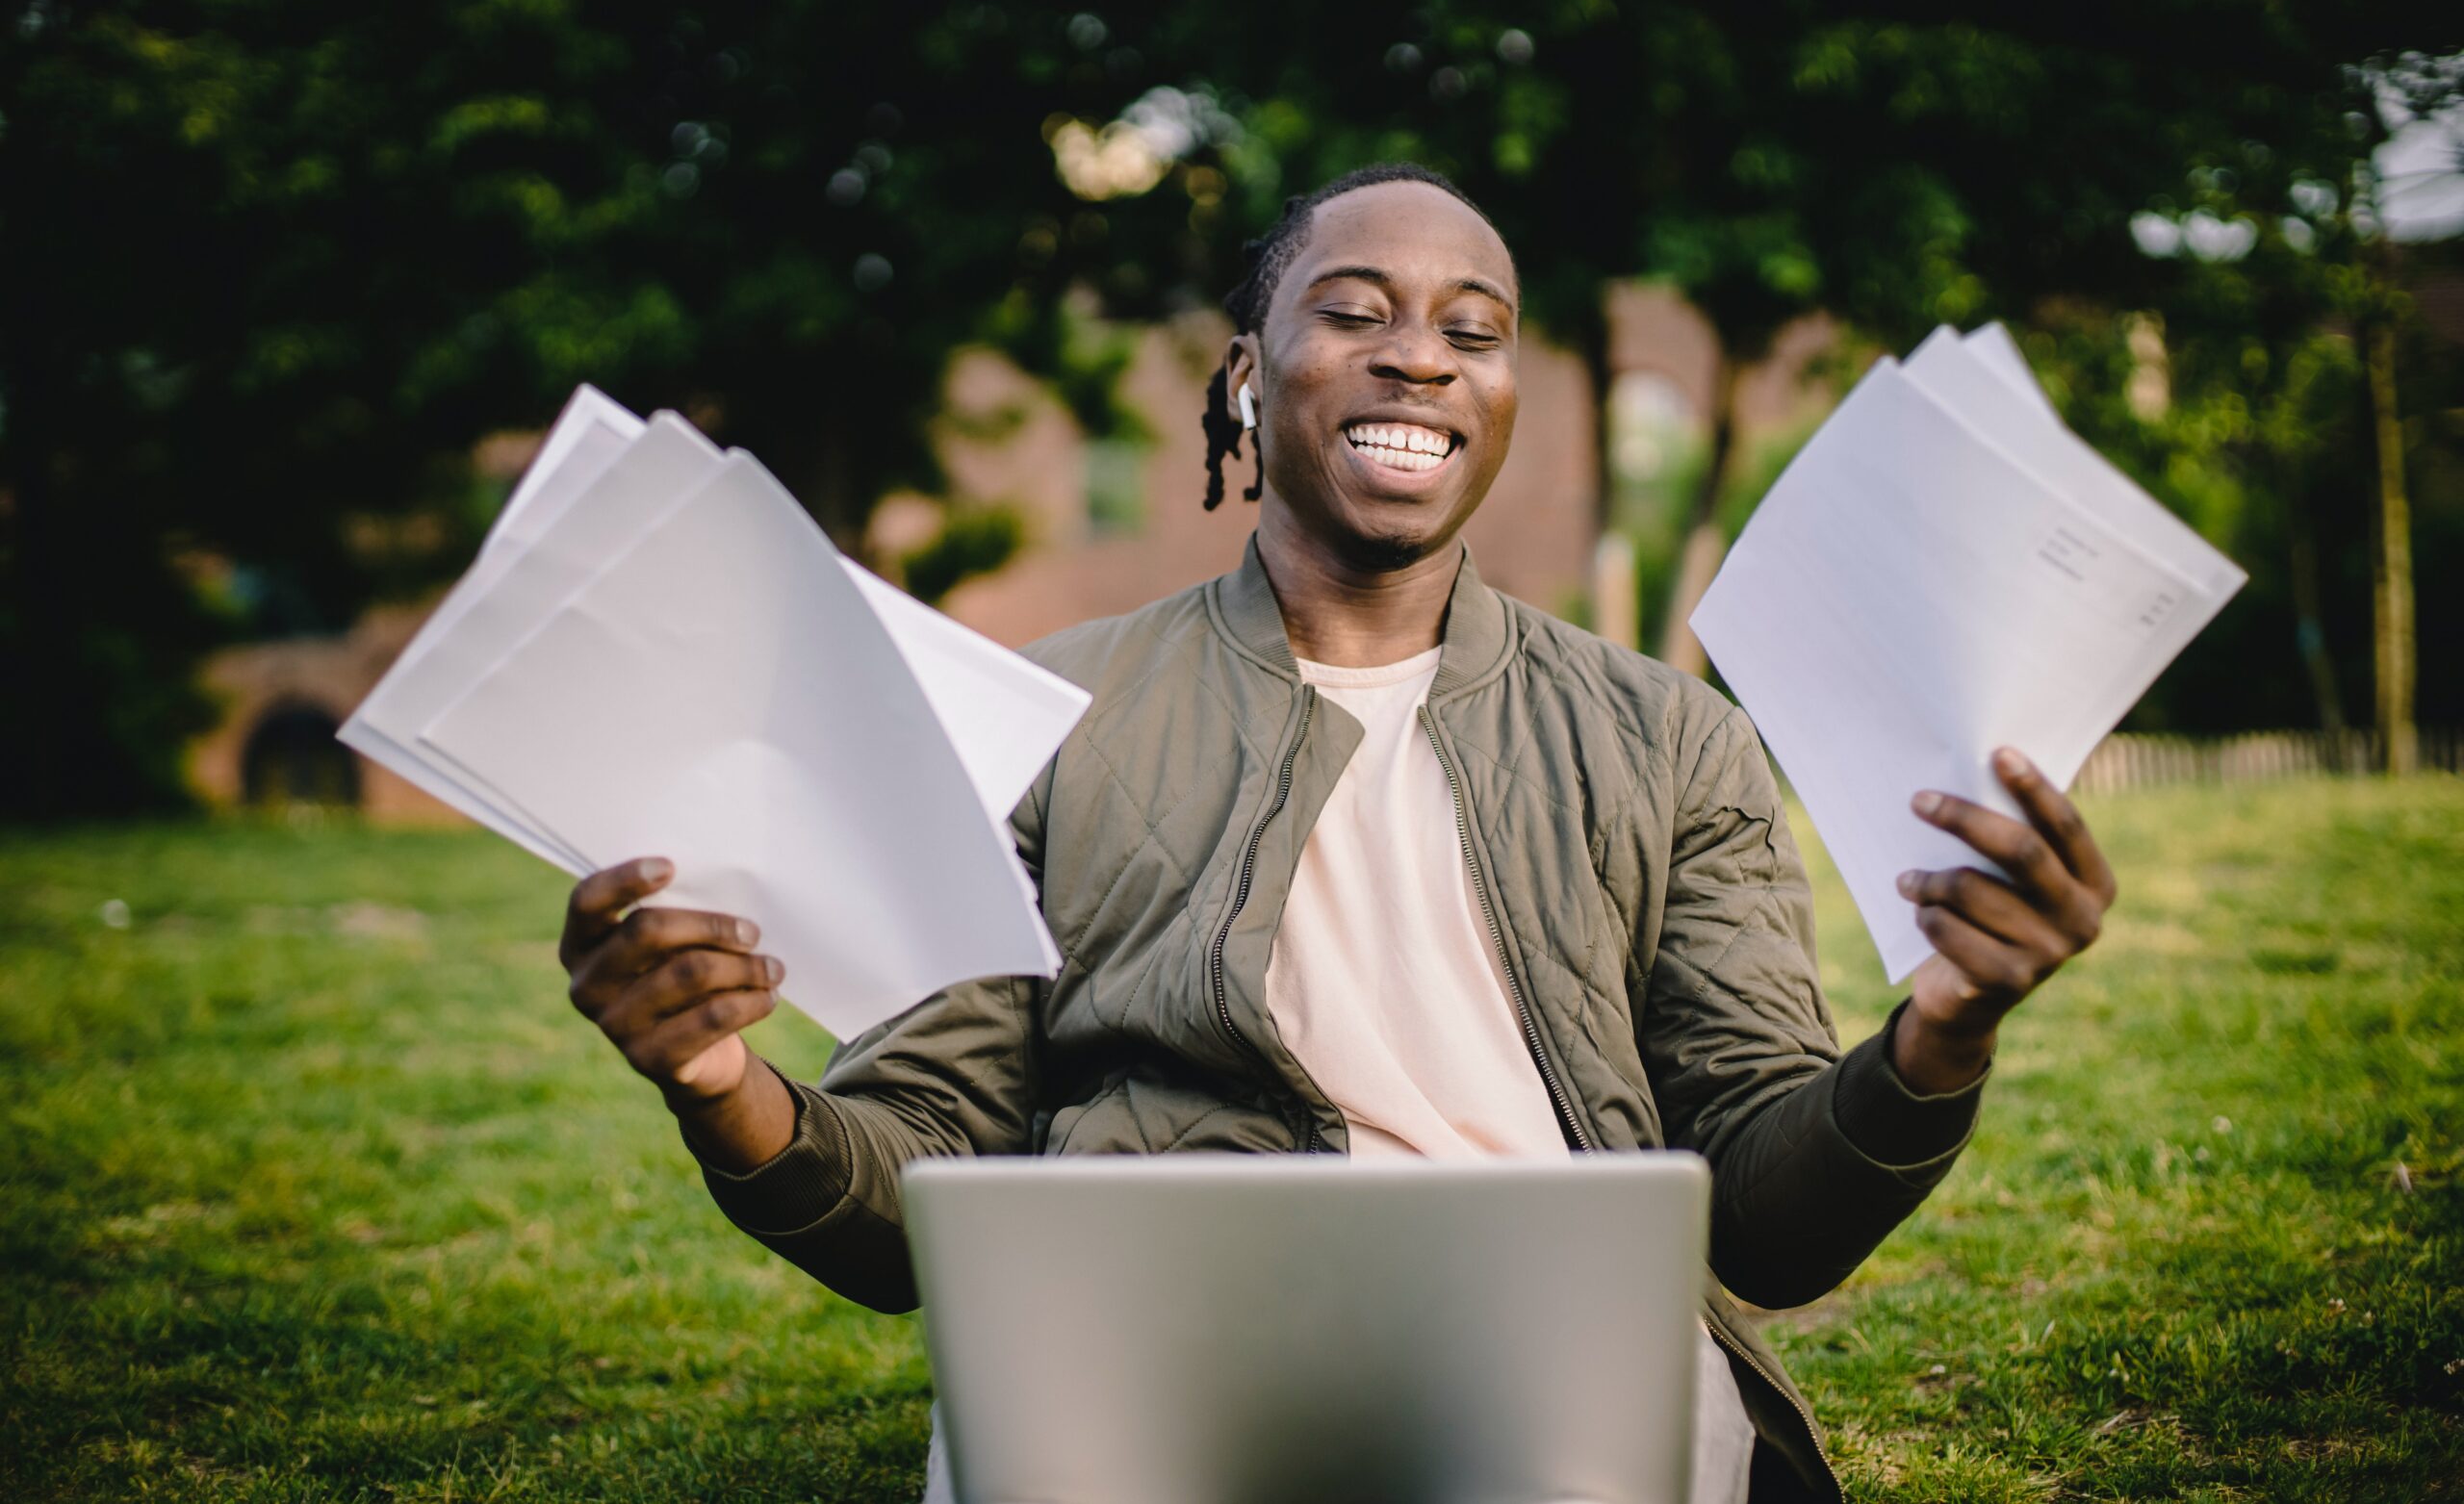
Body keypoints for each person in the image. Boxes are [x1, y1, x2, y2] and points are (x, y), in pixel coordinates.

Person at [552, 164, 2118, 1503]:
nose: (1419, 360)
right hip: (1137, 1353)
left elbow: (1771, 1217)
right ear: (1249, 375)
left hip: (1558, 1374)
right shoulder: (1036, 717)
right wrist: (718, 1084)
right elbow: (917, 1197)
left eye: (1472, 332)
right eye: (1355, 311)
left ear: (1504, 399)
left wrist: (1942, 1034)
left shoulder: (1669, 739)